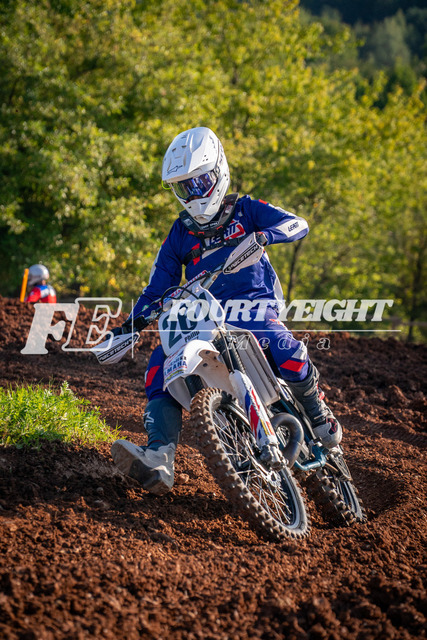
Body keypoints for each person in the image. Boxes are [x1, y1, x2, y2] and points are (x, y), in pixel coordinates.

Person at [110, 127, 342, 495]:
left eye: (201, 182)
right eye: (184, 187)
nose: (194, 194)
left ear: (219, 172)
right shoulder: (180, 233)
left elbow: (297, 224)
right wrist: (129, 327)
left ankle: (317, 414)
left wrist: (265, 236)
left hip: (252, 306)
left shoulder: (245, 209)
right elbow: (156, 289)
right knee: (158, 366)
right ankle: (159, 456)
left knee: (284, 346)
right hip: (204, 316)